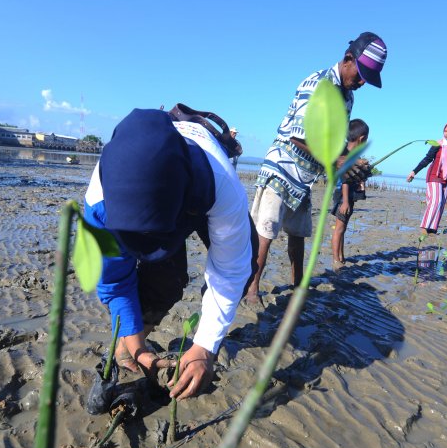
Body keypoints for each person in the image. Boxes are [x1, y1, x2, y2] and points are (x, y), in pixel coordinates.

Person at [83, 108, 257, 401]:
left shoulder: (221, 187)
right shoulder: (98, 203)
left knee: (246, 262)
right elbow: (113, 282)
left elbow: (230, 272)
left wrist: (205, 346)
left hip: (195, 193)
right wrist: (139, 348)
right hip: (147, 207)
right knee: (167, 280)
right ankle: (129, 348)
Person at [244, 32, 387, 308]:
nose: (361, 83)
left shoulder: (347, 98)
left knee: (298, 233)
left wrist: (351, 163)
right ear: (348, 59)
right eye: (360, 75)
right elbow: (299, 136)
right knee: (266, 230)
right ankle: (252, 288)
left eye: (366, 81)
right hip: (283, 165)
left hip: (306, 175)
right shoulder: (318, 84)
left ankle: (299, 287)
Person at [407, 120, 447, 234]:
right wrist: (414, 171)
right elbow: (427, 159)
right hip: (434, 175)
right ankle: (424, 228)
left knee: (442, 203)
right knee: (435, 201)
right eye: (445, 131)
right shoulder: (438, 144)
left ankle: (433, 228)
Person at [331, 119, 370, 269]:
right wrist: (346, 201)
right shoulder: (346, 155)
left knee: (343, 228)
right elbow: (345, 179)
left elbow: (356, 176)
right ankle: (336, 260)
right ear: (362, 138)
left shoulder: (353, 155)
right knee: (339, 229)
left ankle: (341, 257)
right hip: (343, 195)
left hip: (347, 194)